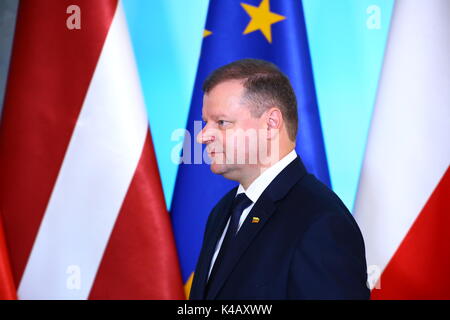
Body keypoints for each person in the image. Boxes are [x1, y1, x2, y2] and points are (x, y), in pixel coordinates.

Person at [189, 59, 370, 300]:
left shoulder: (320, 222)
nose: (202, 136)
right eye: (206, 122)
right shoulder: (223, 212)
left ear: (271, 124)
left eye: (222, 123)